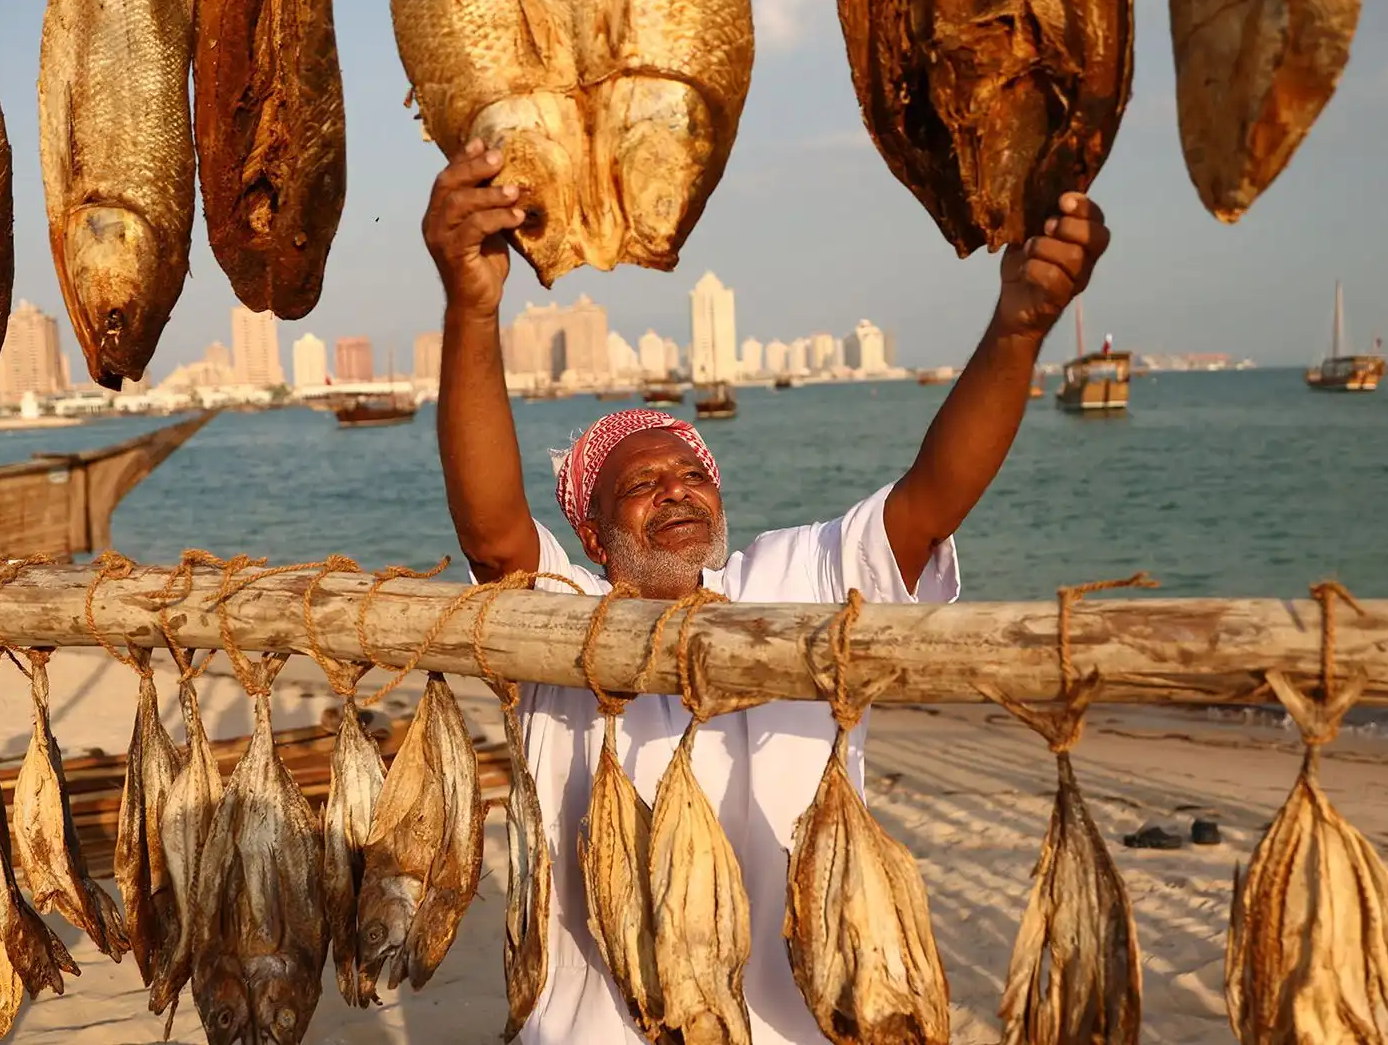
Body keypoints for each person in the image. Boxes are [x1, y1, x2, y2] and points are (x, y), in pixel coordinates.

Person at [424, 138, 1112, 1045]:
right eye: (640, 484)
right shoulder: (563, 620)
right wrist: (471, 310)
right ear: (590, 537)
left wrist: (1019, 327)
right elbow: (489, 532)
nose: (676, 488)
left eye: (690, 473)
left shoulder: (787, 578)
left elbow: (928, 503)